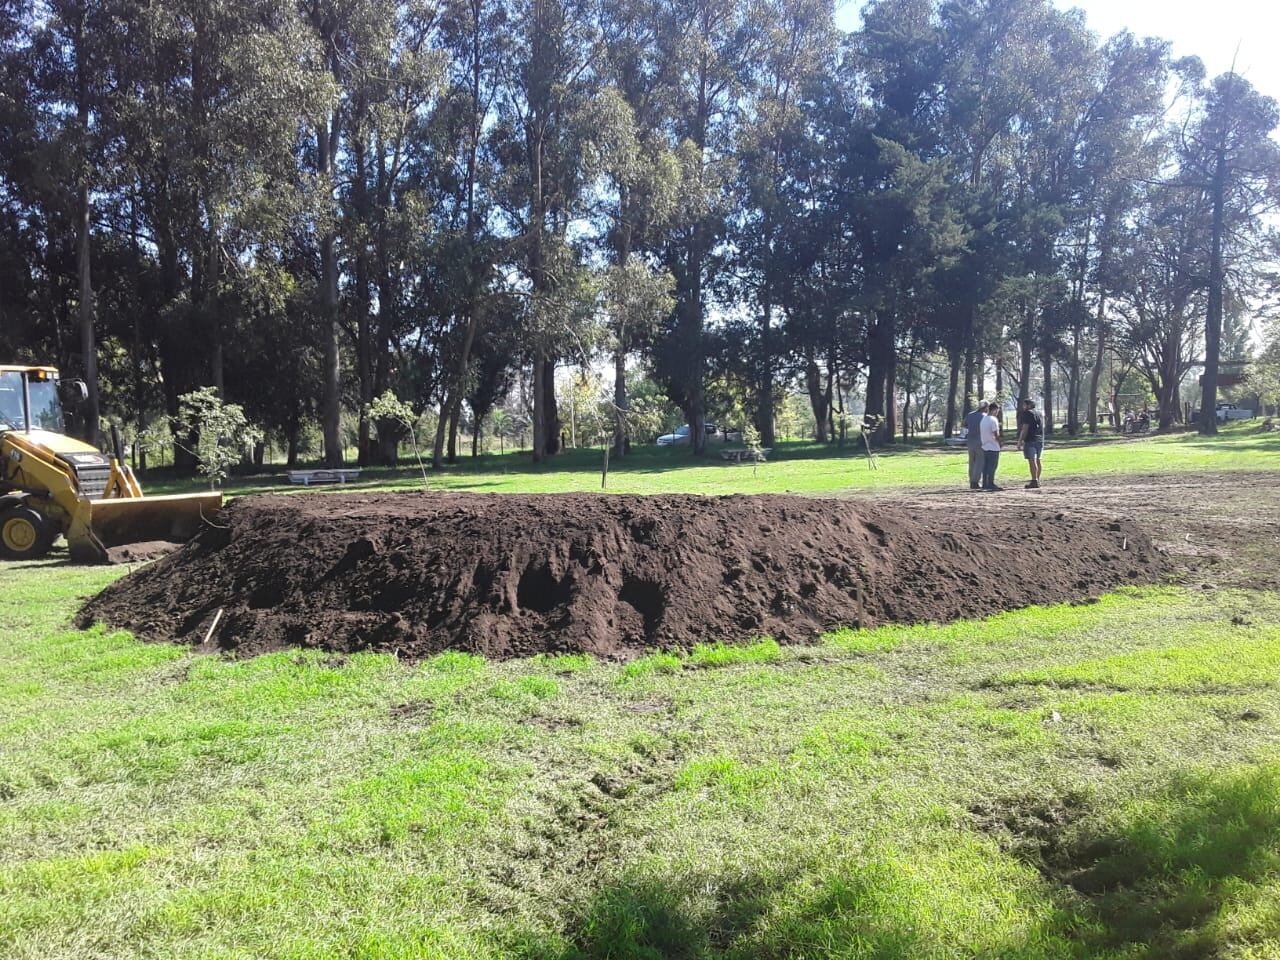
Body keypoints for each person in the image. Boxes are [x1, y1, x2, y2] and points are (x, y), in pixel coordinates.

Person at [1016, 397, 1044, 489]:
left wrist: (1020, 441)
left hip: (1030, 439)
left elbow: (1025, 428)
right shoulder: (1039, 413)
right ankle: (1037, 479)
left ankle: (1034, 480)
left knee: (1032, 460)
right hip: (1040, 439)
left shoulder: (1028, 413)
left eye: (1024, 405)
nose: (1023, 407)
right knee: (1038, 460)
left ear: (1029, 405)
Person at [979, 402, 1002, 491]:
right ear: (995, 409)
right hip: (993, 445)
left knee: (986, 466)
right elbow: (995, 433)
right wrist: (1000, 442)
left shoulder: (983, 419)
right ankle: (990, 483)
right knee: (992, 466)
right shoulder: (993, 419)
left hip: (985, 445)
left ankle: (985, 483)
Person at [963, 404, 986, 490]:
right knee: (979, 461)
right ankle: (975, 481)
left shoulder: (970, 415)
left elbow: (964, 424)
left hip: (970, 441)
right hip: (980, 440)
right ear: (985, 407)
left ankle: (971, 480)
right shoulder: (984, 416)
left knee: (971, 461)